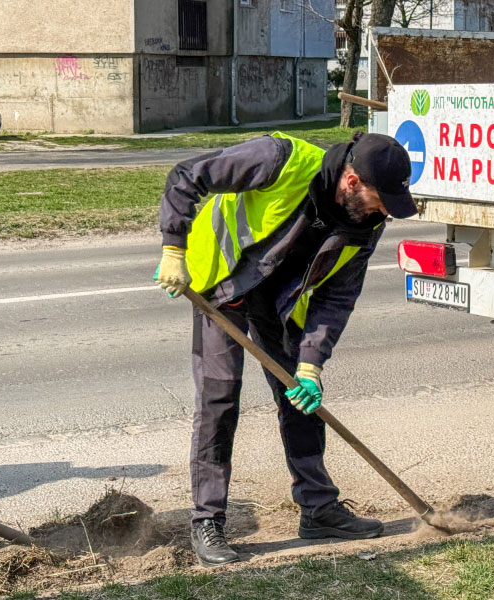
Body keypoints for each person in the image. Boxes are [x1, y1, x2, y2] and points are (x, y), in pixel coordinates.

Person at [154, 130, 416, 568]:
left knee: (301, 399)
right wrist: (172, 248)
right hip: (222, 285)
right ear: (351, 181)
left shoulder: (363, 226)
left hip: (279, 303)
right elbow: (187, 176)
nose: (384, 210)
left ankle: (319, 508)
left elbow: (336, 299)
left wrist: (312, 365)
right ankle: (207, 518)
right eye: (380, 198)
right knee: (219, 399)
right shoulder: (280, 158)